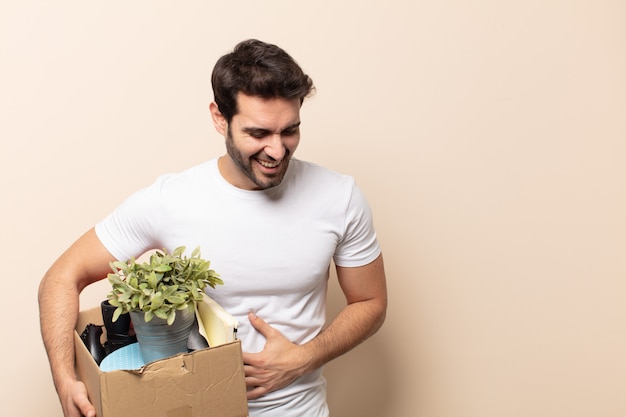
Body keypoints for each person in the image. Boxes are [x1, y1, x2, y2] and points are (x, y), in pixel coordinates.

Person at [38, 39, 387, 417]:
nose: (277, 150)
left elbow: (370, 302)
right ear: (219, 117)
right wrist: (65, 379)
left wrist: (305, 357)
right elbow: (61, 277)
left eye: (290, 131)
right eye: (258, 133)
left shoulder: (339, 196)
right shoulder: (169, 200)